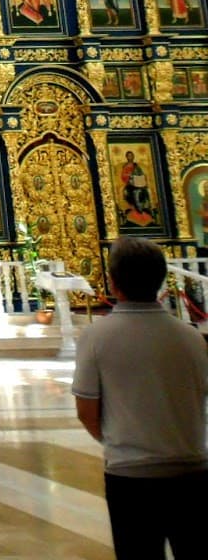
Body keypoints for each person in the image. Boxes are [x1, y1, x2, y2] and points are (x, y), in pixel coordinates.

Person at [73, 238, 208, 560]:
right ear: (161, 280)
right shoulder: (191, 336)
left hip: (131, 475)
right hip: (193, 470)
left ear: (114, 283)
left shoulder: (96, 336)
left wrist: (122, 442)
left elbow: (86, 411)